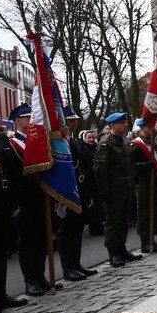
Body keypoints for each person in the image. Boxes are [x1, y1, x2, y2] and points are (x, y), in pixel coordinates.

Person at [8, 104, 60, 295]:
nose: (31, 121)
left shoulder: (37, 142)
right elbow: (15, 174)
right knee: (27, 242)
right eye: (27, 118)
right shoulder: (13, 144)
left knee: (41, 239)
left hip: (41, 196)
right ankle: (29, 280)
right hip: (25, 199)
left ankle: (40, 276)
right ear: (18, 121)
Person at [0, 106, 28, 313]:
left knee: (1, 250)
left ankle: (1, 294)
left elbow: (10, 170)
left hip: (2, 202)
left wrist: (15, 199)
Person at [94, 112, 143, 267]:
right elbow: (100, 169)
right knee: (113, 222)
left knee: (124, 220)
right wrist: (104, 190)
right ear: (112, 125)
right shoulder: (105, 143)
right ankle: (113, 252)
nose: (126, 125)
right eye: (122, 123)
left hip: (126, 187)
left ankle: (122, 248)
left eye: (125, 122)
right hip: (113, 189)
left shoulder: (123, 140)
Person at [56, 106, 96, 281]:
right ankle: (68, 267)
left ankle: (76, 263)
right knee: (66, 230)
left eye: (75, 119)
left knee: (77, 228)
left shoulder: (74, 141)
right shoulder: (59, 142)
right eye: (70, 119)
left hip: (80, 188)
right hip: (66, 190)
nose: (74, 122)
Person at [129, 119, 157, 254]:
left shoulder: (153, 143)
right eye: (150, 127)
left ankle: (152, 238)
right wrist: (145, 166)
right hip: (143, 183)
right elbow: (131, 166)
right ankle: (144, 241)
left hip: (155, 181)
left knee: (156, 210)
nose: (153, 129)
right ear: (142, 127)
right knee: (145, 212)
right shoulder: (136, 145)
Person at [77, 130, 105, 236]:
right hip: (87, 181)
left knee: (99, 204)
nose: (91, 140)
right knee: (92, 205)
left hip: (97, 180)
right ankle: (94, 227)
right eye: (89, 137)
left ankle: (99, 225)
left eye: (93, 138)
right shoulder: (81, 149)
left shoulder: (98, 148)